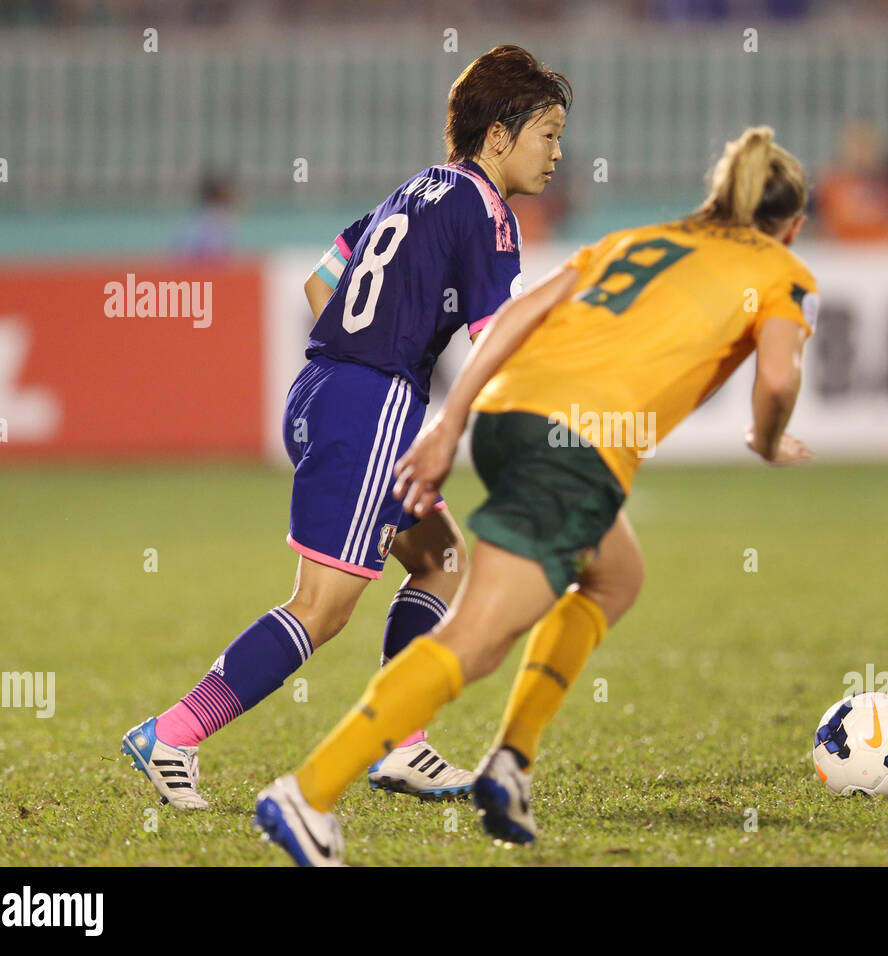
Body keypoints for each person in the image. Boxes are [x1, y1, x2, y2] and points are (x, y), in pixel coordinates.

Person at [255, 126, 819, 866]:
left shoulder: (641, 240)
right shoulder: (780, 269)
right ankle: (308, 792)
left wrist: (453, 420)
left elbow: (522, 313)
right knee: (476, 637)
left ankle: (510, 764)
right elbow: (778, 379)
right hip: (575, 442)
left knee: (617, 574)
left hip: (507, 414)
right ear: (793, 224)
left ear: (716, 198)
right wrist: (768, 437)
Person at [120, 45, 571, 809]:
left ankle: (403, 744)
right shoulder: (488, 214)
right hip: (372, 404)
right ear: (498, 136)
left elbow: (318, 282)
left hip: (323, 388)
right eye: (549, 134)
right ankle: (174, 732)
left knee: (441, 562)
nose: (558, 154)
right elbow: (496, 342)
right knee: (323, 609)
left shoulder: (410, 194)